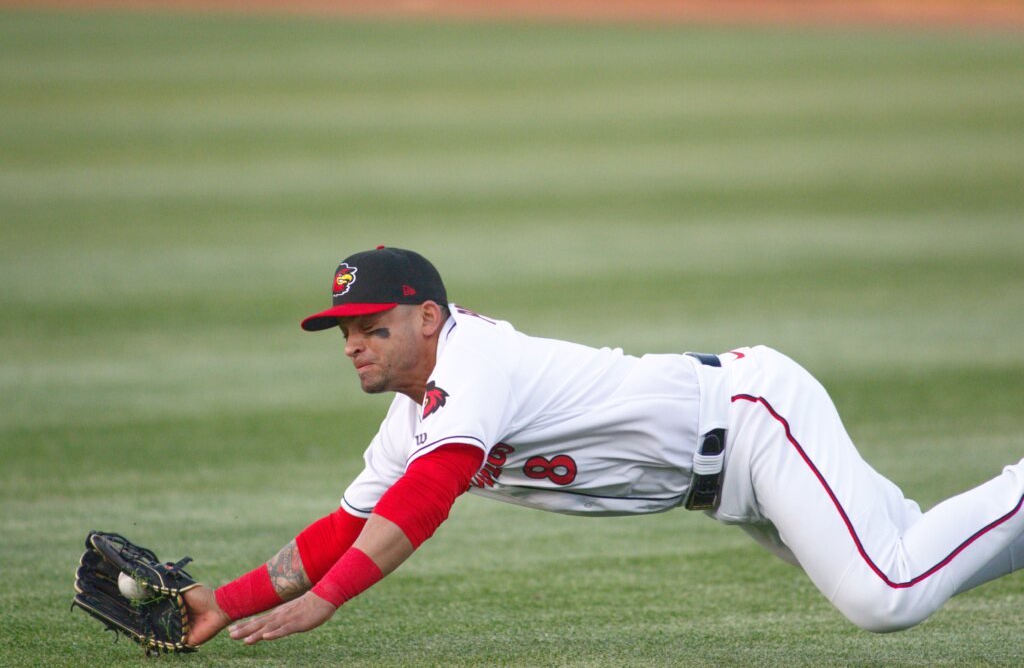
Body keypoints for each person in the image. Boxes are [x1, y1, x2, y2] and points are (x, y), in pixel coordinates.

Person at [182, 245, 1024, 646]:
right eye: (344, 334)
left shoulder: (474, 359)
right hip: (727, 481)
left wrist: (329, 601)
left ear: (429, 317)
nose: (354, 344)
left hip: (753, 418)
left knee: (886, 595)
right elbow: (345, 523)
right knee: (911, 553)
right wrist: (228, 598)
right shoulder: (414, 417)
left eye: (372, 326)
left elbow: (426, 497)